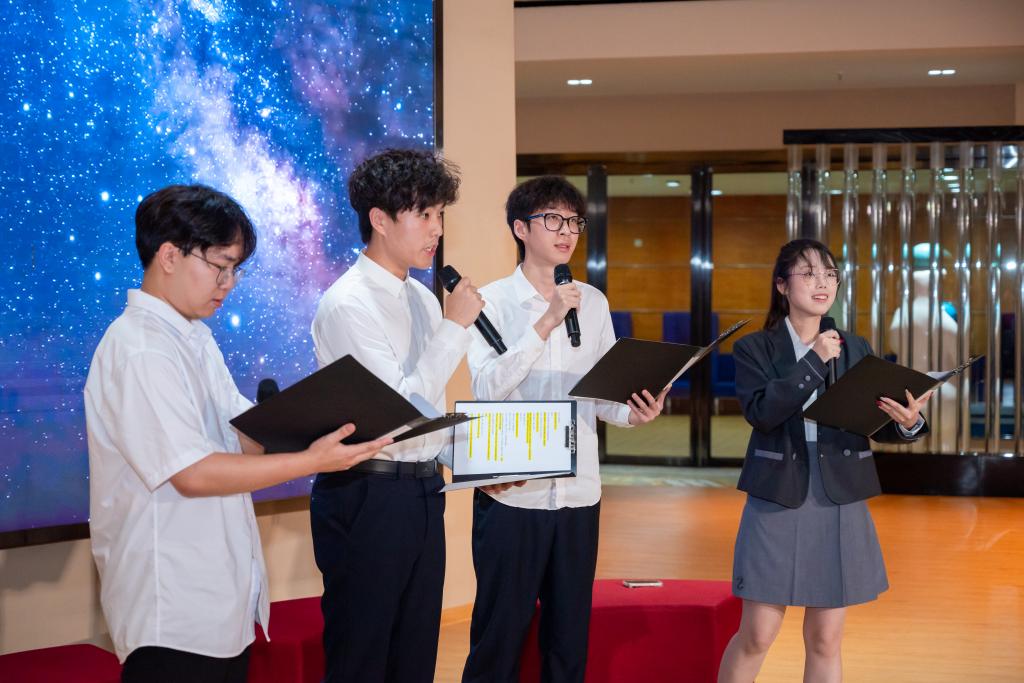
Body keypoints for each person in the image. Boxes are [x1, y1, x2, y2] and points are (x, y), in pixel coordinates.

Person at [85, 184, 390, 683]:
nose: (228, 283)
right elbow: (192, 473)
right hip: (171, 610)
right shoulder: (140, 349)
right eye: (220, 266)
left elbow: (244, 436)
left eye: (235, 270)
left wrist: (314, 418)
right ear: (169, 256)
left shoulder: (194, 338)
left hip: (216, 600)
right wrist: (313, 460)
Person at [461, 176, 667, 683]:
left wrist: (634, 412)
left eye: (574, 221)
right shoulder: (490, 302)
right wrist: (546, 323)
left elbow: (601, 394)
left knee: (568, 642)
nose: (567, 231)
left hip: (578, 495)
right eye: (553, 219)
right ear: (520, 228)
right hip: (513, 493)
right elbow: (487, 389)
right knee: (498, 639)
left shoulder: (592, 302)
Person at [717, 239, 931, 683]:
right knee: (757, 634)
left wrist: (909, 422)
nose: (822, 283)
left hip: (839, 495)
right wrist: (814, 360)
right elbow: (763, 412)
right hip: (777, 493)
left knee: (826, 639)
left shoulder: (854, 347)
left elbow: (873, 421)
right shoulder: (755, 349)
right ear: (782, 285)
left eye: (830, 274)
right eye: (809, 273)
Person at [309, 148, 484, 682]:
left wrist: (479, 465)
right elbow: (398, 409)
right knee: (362, 655)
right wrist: (455, 328)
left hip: (422, 492)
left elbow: (427, 418)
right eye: (424, 214)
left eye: (440, 215)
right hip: (367, 493)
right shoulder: (348, 303)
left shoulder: (423, 300)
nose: (437, 230)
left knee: (415, 652)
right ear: (380, 220)